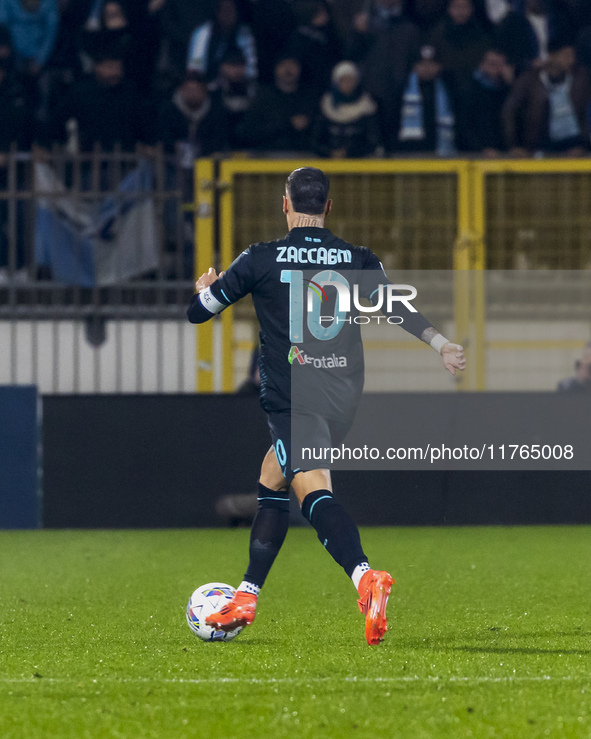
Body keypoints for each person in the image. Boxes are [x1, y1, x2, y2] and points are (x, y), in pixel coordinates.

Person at [187, 167, 465, 645]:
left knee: (311, 490)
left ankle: (365, 579)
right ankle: (247, 594)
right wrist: (439, 343)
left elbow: (199, 313)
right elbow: (395, 307)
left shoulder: (260, 258)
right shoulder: (356, 257)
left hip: (294, 398)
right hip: (342, 396)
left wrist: (204, 288)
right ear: (328, 207)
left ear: (285, 204)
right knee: (273, 477)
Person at [502, 38, 591, 155]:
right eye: (566, 55)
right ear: (552, 56)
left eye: (572, 55)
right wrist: (513, 146)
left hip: (574, 144)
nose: (571, 60)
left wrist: (585, 144)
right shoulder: (529, 80)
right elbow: (509, 111)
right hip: (540, 144)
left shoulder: (581, 78)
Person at [235, 55, 317, 152]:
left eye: (293, 65)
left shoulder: (309, 99)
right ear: (276, 68)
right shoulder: (262, 98)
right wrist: (288, 124)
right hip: (266, 158)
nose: (288, 69)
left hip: (302, 158)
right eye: (284, 65)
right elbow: (247, 133)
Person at [312, 60, 381, 158]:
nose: (347, 84)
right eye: (343, 80)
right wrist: (330, 153)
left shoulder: (368, 107)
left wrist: (349, 153)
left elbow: (373, 141)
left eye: (351, 80)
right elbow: (315, 141)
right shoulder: (325, 105)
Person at [397, 44, 456, 154]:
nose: (427, 68)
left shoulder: (449, 90)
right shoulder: (402, 90)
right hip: (410, 150)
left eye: (431, 64)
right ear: (415, 66)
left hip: (440, 150)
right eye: (422, 64)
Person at [456, 47, 513, 153]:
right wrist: (481, 149)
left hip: (504, 153)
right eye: (492, 64)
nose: (497, 69)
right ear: (482, 65)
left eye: (500, 65)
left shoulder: (509, 90)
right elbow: (464, 125)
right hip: (475, 154)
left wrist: (511, 86)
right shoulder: (468, 89)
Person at [186, 0, 257, 85]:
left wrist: (240, 71)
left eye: (230, 10)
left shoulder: (244, 34)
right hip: (206, 86)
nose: (227, 14)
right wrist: (221, 69)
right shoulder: (202, 33)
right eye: (223, 10)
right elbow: (195, 65)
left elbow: (254, 67)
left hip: (238, 89)